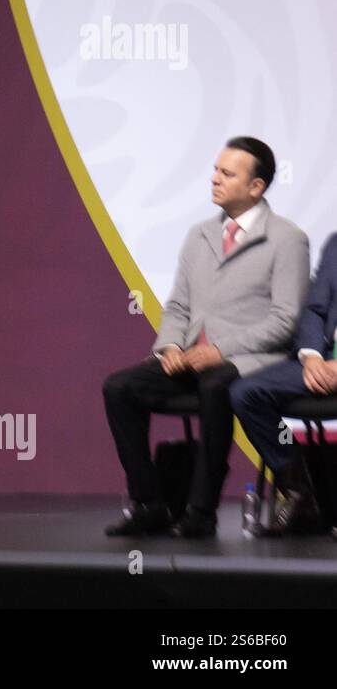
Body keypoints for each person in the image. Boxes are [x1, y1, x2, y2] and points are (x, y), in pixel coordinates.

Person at [101, 137, 310, 538]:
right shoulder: (199, 235)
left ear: (256, 187)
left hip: (251, 358)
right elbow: (177, 307)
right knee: (119, 387)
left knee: (216, 386)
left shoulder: (288, 239)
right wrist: (171, 347)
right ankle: (150, 503)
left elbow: (286, 321)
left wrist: (218, 351)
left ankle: (201, 511)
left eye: (226, 174)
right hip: (192, 357)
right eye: (215, 170)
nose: (214, 179)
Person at [230, 233, 337, 535]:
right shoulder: (335, 244)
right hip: (321, 360)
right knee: (246, 394)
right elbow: (315, 309)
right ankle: (299, 491)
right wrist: (313, 357)